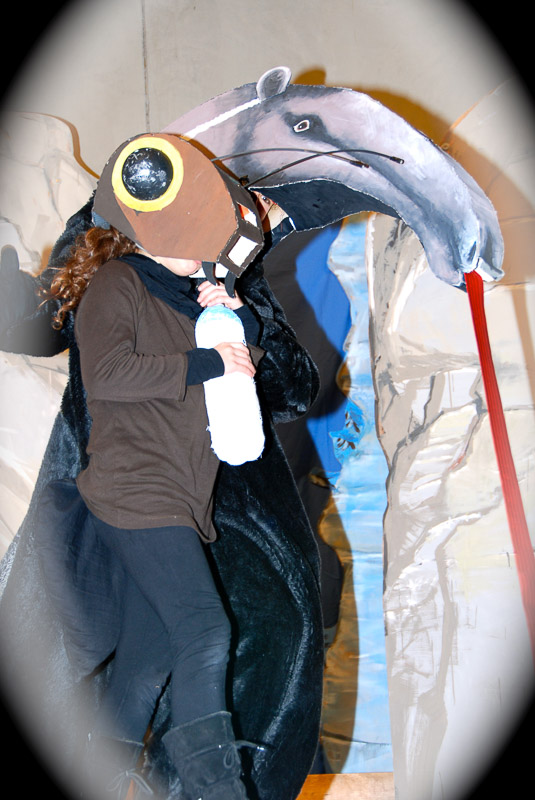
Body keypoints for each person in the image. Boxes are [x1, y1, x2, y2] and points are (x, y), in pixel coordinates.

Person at [0, 133, 324, 800]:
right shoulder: (115, 272)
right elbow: (87, 353)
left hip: (202, 498)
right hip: (136, 487)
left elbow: (288, 385)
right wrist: (209, 359)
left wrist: (238, 315)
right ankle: (216, 786)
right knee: (192, 632)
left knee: (164, 659)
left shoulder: (211, 286)